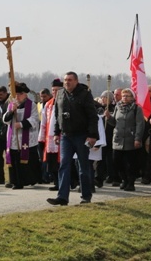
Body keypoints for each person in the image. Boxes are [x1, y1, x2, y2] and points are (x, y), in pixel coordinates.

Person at [48, 72, 99, 206]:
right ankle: (62, 197)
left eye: (70, 80)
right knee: (64, 165)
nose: (67, 82)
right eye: (65, 80)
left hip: (81, 135)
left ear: (76, 81)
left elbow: (93, 116)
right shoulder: (60, 94)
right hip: (66, 136)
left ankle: (86, 195)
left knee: (83, 166)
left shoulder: (85, 94)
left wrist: (93, 135)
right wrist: (56, 133)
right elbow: (58, 115)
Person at [3, 82, 40, 190]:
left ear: (25, 95)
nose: (18, 96)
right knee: (15, 160)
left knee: (29, 160)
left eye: (20, 94)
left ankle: (30, 179)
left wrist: (22, 124)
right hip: (14, 138)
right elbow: (5, 119)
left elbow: (34, 119)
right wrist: (11, 111)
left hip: (27, 138)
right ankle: (16, 181)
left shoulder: (31, 104)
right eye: (16, 94)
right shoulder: (11, 104)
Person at [112, 88, 146, 192]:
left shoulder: (136, 108)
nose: (125, 98)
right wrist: (108, 118)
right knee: (117, 161)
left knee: (130, 163)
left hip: (130, 139)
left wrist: (137, 138)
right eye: (123, 96)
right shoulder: (117, 107)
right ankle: (124, 179)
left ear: (132, 98)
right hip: (118, 139)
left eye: (127, 96)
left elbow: (140, 124)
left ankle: (131, 182)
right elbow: (114, 122)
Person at [39, 79, 63, 191]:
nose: (55, 92)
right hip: (50, 137)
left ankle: (66, 182)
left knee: (61, 161)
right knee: (52, 162)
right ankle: (56, 182)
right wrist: (41, 137)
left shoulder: (65, 101)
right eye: (53, 90)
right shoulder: (48, 104)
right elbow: (43, 122)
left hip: (62, 136)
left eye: (57, 90)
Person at [0, 86, 10, 187]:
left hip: (8, 133)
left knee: (9, 157)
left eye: (1, 95)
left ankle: (12, 178)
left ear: (5, 93)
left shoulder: (10, 102)